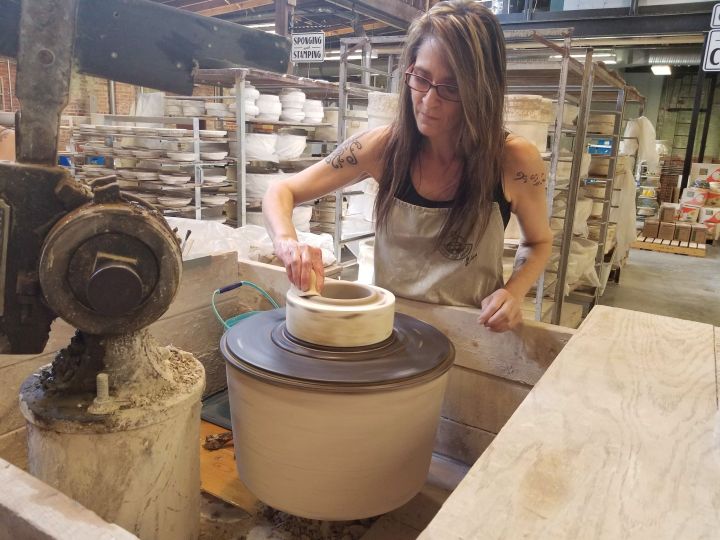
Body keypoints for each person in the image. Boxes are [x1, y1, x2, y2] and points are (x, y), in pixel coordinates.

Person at [263, 0, 552, 333]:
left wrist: (513, 293)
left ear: (482, 91)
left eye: (451, 88)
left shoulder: (513, 160)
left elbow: (538, 242)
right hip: (389, 332)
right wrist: (288, 243)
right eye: (421, 78)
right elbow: (280, 190)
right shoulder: (383, 148)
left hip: (473, 334)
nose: (429, 101)